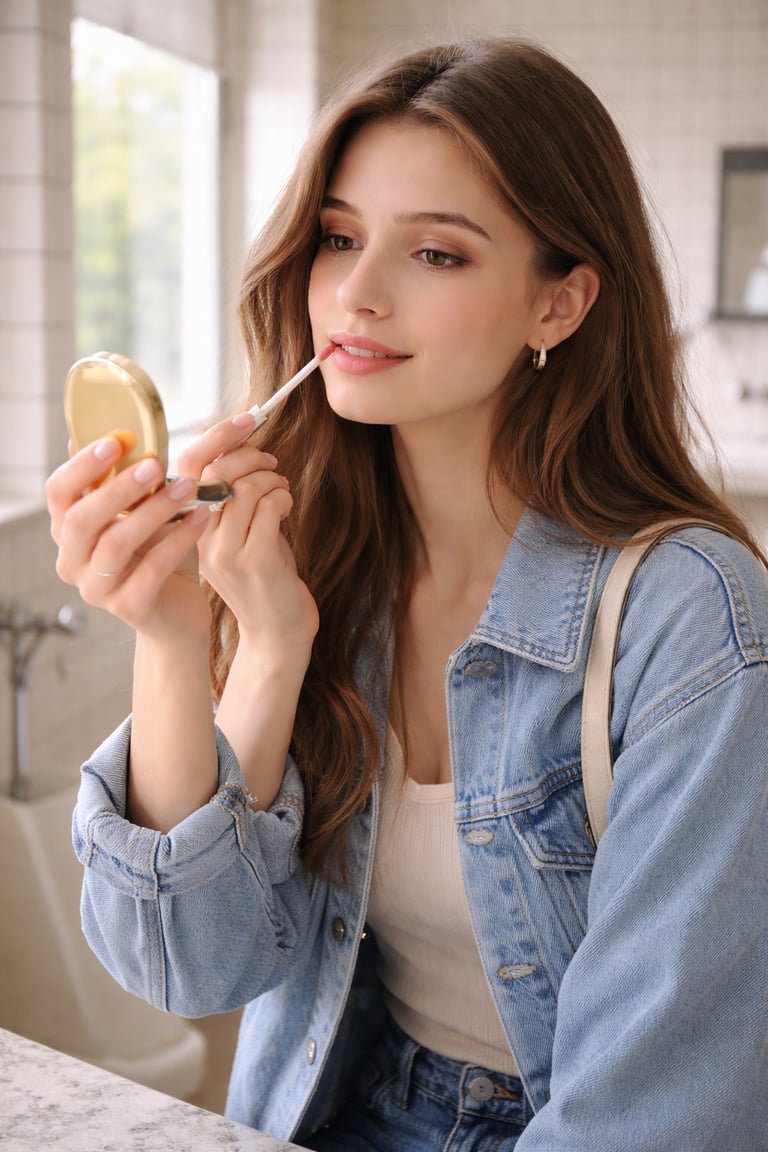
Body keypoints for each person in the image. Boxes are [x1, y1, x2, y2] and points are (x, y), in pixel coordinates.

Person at [46, 35, 768, 1152]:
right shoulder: (314, 558)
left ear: (560, 305)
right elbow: (190, 966)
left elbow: (657, 1113)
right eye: (338, 239)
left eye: (436, 255)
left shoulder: (692, 625)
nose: (357, 295)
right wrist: (186, 632)